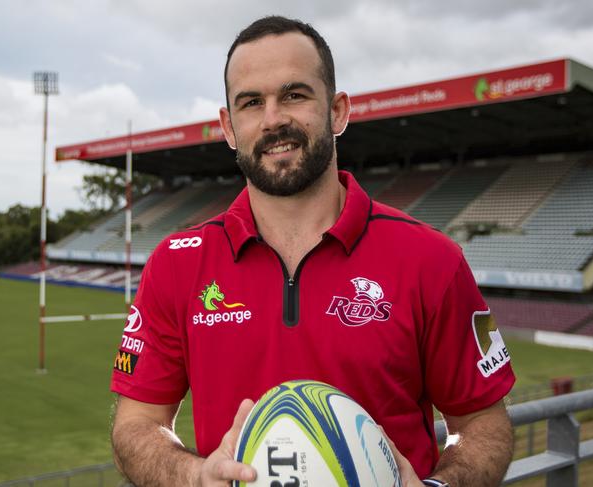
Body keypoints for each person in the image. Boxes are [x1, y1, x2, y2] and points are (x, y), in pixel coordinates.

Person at [110, 16, 515, 487]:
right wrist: (194, 475)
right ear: (228, 126)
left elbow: (484, 424)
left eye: (294, 95)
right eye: (251, 102)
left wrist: (439, 486)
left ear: (338, 111)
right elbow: (136, 424)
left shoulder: (431, 260)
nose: (273, 119)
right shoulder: (176, 264)